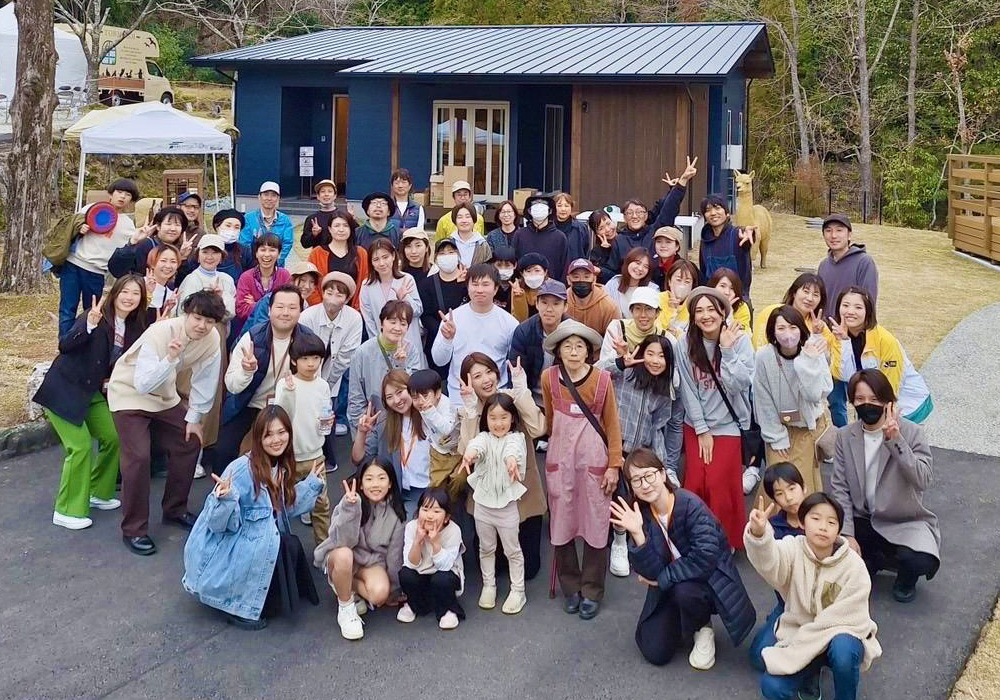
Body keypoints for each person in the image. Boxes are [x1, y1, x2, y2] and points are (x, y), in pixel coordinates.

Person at [182, 406, 325, 630]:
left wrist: (311, 486)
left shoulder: (280, 465)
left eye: (281, 432)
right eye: (268, 435)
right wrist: (225, 499)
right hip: (231, 549)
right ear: (258, 438)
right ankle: (234, 605)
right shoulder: (240, 470)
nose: (276, 440)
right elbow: (217, 525)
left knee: (284, 543)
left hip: (255, 540)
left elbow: (283, 509)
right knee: (273, 545)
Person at [612, 449, 755, 670]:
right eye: (637, 480)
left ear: (662, 474)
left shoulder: (690, 505)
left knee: (684, 591)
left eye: (649, 475)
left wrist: (662, 578)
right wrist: (638, 534)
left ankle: (702, 626)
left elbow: (705, 557)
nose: (645, 484)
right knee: (654, 651)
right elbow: (650, 572)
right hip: (671, 582)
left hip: (707, 581)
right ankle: (683, 619)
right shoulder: (642, 514)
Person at [107, 290, 225, 555]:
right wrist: (171, 358)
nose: (202, 326)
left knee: (190, 441)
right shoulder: (160, 332)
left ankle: (175, 509)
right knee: (139, 457)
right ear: (186, 313)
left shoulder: (212, 339)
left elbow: (206, 380)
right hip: (130, 393)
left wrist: (194, 418)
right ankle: (134, 529)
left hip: (164, 396)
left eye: (209, 321)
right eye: (197, 318)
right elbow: (143, 383)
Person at [35, 275, 148, 530]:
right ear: (115, 293)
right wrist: (88, 325)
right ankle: (66, 509)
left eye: (135, 293)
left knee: (113, 436)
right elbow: (65, 345)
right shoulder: (95, 315)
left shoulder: (134, 326)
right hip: (63, 389)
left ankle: (98, 491)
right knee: (80, 446)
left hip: (91, 393)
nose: (129, 297)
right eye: (125, 292)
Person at [745, 493, 882, 699]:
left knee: (844, 650)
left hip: (838, 634)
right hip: (799, 634)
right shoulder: (792, 548)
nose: (823, 527)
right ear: (802, 522)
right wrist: (759, 535)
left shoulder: (853, 565)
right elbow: (770, 563)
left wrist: (805, 646)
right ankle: (810, 672)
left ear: (839, 529)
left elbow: (852, 617)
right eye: (816, 518)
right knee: (772, 686)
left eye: (831, 522)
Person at [829, 368, 940, 603]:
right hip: (862, 518)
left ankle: (905, 577)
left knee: (921, 559)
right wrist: (847, 534)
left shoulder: (911, 432)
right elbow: (840, 488)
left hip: (902, 520)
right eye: (860, 399)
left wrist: (896, 441)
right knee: (830, 546)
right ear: (852, 402)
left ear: (889, 402)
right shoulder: (845, 436)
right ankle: (872, 560)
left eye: (874, 398)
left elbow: (923, 479)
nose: (867, 404)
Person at [542, 319, 622, 619]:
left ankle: (592, 589)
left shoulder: (602, 380)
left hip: (594, 462)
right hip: (560, 462)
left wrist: (614, 465)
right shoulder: (549, 378)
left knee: (596, 525)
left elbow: (612, 425)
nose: (574, 352)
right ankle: (570, 587)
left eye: (579, 346)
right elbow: (550, 420)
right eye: (567, 346)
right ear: (558, 351)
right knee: (561, 524)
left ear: (589, 351)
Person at [599, 334, 685, 577]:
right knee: (621, 493)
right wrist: (619, 362)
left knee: (651, 491)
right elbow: (593, 372)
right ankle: (619, 541)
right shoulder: (625, 374)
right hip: (612, 446)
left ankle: (648, 543)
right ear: (641, 354)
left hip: (640, 452)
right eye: (650, 353)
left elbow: (659, 429)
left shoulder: (663, 391)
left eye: (662, 356)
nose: (655, 361)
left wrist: (664, 466)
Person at [456, 353, 547, 581]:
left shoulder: (512, 398)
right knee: (492, 565)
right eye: (477, 376)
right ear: (468, 382)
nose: (486, 379)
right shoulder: (469, 409)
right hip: (488, 498)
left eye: (489, 372)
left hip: (521, 494)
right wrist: (471, 411)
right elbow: (467, 450)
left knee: (530, 569)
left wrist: (521, 389)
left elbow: (538, 428)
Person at [675, 287, 753, 550]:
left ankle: (723, 539)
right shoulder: (684, 345)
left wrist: (727, 351)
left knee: (719, 483)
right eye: (699, 311)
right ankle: (695, 539)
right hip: (697, 424)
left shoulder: (740, 340)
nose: (706, 316)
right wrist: (701, 429)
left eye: (711, 309)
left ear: (723, 313)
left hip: (729, 424)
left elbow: (739, 384)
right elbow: (688, 390)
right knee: (696, 482)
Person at [211, 285, 317, 474]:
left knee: (297, 453)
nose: (286, 313)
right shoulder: (253, 337)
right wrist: (246, 371)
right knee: (224, 450)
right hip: (251, 402)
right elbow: (232, 385)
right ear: (269, 310)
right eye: (280, 307)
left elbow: (315, 384)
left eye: (292, 308)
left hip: (290, 405)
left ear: (301, 311)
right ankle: (224, 489)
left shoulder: (308, 340)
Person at [314, 459, 406, 640]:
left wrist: (394, 590)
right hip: (343, 556)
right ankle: (346, 606)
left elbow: (394, 557)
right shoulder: (350, 501)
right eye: (369, 479)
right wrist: (351, 509)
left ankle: (345, 584)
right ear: (361, 484)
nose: (375, 484)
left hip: (371, 563)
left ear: (390, 483)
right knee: (344, 555)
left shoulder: (397, 513)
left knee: (380, 594)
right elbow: (343, 542)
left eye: (381, 478)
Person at [753, 306, 833, 497]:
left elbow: (816, 395)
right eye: (781, 328)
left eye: (793, 327)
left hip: (807, 429)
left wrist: (810, 362)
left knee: (802, 485)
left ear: (801, 329)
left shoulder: (812, 351)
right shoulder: (764, 356)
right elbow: (763, 400)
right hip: (778, 428)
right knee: (777, 486)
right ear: (772, 332)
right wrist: (776, 437)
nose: (787, 334)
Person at [461, 393, 528, 615]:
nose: (498, 423)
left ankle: (518, 590)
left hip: (507, 508)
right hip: (483, 506)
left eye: (503, 417)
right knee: (486, 548)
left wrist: (511, 461)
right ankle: (489, 586)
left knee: (512, 551)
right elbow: (476, 445)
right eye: (493, 417)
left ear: (512, 418)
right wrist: (469, 454)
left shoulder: (516, 438)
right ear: (486, 419)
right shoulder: (484, 437)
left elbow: (513, 451)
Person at [829, 286, 932, 422]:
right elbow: (844, 375)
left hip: (907, 407)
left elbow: (892, 385)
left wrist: (884, 418)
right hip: (872, 405)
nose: (850, 311)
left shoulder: (885, 340)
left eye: (858, 307)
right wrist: (844, 342)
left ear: (868, 311)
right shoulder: (839, 337)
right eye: (845, 305)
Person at [747, 462, 810, 679]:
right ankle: (783, 629)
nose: (789, 498)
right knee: (758, 657)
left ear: (804, 487)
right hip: (788, 604)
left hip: (819, 605)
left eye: (792, 488)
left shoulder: (818, 519)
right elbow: (764, 560)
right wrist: (758, 533)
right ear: (774, 500)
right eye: (780, 494)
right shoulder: (772, 528)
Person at [58, 178, 140, 338]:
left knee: (92, 311)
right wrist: (79, 228)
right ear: (111, 193)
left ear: (131, 200)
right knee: (67, 309)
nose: (122, 196)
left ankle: (85, 343)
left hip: (96, 272)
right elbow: (68, 227)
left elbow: (126, 252)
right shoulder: (91, 209)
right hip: (73, 265)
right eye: (119, 192)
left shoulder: (128, 225)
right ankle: (64, 345)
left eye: (128, 194)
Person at [274, 333, 333, 546]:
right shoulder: (286, 384)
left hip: (315, 455)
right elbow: (281, 418)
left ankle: (323, 550)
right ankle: (279, 549)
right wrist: (289, 392)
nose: (311, 364)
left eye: (316, 358)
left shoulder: (323, 385)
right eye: (305, 359)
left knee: (321, 506)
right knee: (281, 505)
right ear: (294, 361)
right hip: (288, 457)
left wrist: (327, 424)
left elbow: (324, 420)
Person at [432, 264, 519, 406]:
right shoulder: (452, 319)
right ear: (467, 287)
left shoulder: (509, 322)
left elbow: (514, 364)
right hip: (460, 398)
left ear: (496, 288)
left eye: (485, 284)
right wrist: (447, 340)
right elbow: (439, 361)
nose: (479, 290)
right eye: (475, 284)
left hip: (496, 397)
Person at [299, 271, 363, 453]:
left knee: (327, 418)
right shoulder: (307, 316)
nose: (333, 297)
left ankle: (327, 457)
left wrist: (326, 384)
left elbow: (346, 355)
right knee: (304, 417)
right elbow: (301, 351)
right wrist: (312, 383)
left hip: (333, 377)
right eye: (329, 292)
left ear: (347, 299)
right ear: (322, 293)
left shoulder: (354, 318)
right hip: (305, 375)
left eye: (340, 294)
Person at [353, 372, 432, 518]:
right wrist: (362, 432)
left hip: (429, 489)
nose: (396, 400)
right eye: (389, 397)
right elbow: (359, 459)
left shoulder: (429, 416)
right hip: (398, 491)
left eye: (399, 392)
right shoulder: (385, 423)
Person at [604, 158, 697, 280]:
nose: (635, 216)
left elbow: (668, 210)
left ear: (646, 216)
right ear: (624, 218)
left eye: (639, 212)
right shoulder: (619, 240)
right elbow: (612, 271)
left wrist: (682, 182)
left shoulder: (654, 231)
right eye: (630, 213)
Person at [346, 301, 424, 432]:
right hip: (374, 423)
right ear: (382, 323)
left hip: (404, 421)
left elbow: (415, 389)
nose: (397, 328)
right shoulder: (362, 352)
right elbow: (356, 396)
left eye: (403, 324)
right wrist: (361, 429)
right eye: (392, 322)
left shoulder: (411, 350)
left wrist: (401, 365)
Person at [397, 488, 465, 630]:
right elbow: (411, 564)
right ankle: (414, 605)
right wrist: (417, 541)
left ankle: (448, 610)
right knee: (405, 574)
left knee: (441, 579)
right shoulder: (411, 527)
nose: (430, 516)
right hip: (421, 572)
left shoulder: (454, 530)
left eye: (436, 511)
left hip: (444, 574)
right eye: (425, 509)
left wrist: (435, 543)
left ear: (446, 517)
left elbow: (445, 566)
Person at [509, 279, 568, 408]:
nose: (549, 309)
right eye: (544, 303)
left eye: (556, 304)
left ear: (565, 307)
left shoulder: (573, 332)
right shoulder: (524, 331)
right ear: (537, 304)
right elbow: (515, 370)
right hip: (531, 398)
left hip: (564, 400)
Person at [360, 238, 423, 356]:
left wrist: (405, 298)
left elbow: (418, 310)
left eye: (385, 257)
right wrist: (378, 345)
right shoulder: (366, 286)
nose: (381, 263)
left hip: (408, 342)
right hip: (382, 345)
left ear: (393, 256)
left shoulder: (406, 279)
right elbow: (369, 321)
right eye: (376, 259)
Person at [418, 238, 469, 380]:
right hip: (438, 342)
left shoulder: (469, 281)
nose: (447, 256)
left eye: (451, 252)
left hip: (464, 343)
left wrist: (463, 286)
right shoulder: (427, 284)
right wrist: (443, 330)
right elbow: (425, 315)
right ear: (435, 258)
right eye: (442, 253)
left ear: (458, 255)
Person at [408, 369, 460, 492]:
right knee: (436, 485)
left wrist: (431, 412)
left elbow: (447, 429)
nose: (421, 401)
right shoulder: (423, 406)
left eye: (425, 396)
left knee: (457, 482)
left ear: (438, 393)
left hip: (457, 451)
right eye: (415, 397)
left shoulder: (447, 405)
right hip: (438, 450)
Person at [752, 272, 834, 351]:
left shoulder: (819, 326)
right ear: (794, 292)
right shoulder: (772, 312)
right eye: (806, 291)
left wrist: (818, 336)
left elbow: (833, 352)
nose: (810, 298)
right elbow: (759, 347)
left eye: (815, 295)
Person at [307, 208, 369, 310]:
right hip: (322, 310)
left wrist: (356, 309)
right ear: (330, 229)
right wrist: (322, 308)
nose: (341, 229)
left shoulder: (361, 253)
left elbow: (365, 283)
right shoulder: (317, 253)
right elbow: (310, 284)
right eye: (337, 225)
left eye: (345, 225)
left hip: (353, 311)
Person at [817, 214, 879, 316]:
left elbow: (869, 303)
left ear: (849, 235)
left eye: (839, 230)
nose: (833, 235)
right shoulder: (823, 266)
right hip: (825, 325)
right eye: (828, 231)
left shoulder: (864, 262)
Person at [697, 194, 756, 297]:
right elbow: (703, 273)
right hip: (713, 299)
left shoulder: (737, 235)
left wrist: (750, 233)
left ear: (727, 212)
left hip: (738, 298)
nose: (713, 213)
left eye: (717, 208)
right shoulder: (705, 241)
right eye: (708, 210)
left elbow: (746, 239)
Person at [108, 205, 189, 278]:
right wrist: (133, 242)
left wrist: (182, 258)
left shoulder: (179, 249)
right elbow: (117, 271)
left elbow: (179, 282)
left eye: (177, 225)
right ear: (158, 226)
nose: (173, 229)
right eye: (168, 224)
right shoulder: (145, 245)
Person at [175, 234, 237, 324]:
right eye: (205, 252)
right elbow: (183, 314)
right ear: (198, 256)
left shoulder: (227, 279)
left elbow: (230, 314)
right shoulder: (191, 279)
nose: (209, 257)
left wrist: (222, 296)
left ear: (222, 257)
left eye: (215, 252)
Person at [235, 233, 291, 325]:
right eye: (263, 250)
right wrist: (274, 306)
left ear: (279, 254)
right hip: (251, 327)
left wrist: (256, 304)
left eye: (272, 250)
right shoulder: (246, 277)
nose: (267, 254)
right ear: (256, 253)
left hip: (279, 326)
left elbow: (288, 307)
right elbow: (241, 310)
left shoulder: (285, 276)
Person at [512, 195, 568, 283]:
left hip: (551, 287)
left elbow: (564, 267)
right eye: (535, 206)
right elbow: (514, 263)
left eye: (542, 206)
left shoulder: (560, 237)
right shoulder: (519, 235)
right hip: (524, 287)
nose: (539, 209)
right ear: (529, 211)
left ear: (550, 211)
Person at [599, 286, 662, 362]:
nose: (643, 315)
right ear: (631, 312)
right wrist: (620, 357)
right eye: (638, 308)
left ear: (657, 313)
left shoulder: (665, 337)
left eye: (649, 309)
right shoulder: (617, 328)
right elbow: (602, 365)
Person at [240, 181, 295, 266]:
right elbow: (245, 244)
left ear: (278, 198)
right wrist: (258, 263)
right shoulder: (248, 218)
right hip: (253, 266)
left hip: (277, 266)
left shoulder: (285, 220)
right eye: (266, 195)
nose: (269, 198)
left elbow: (287, 243)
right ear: (259, 197)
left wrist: (275, 262)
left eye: (273, 195)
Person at [565, 258, 620, 337]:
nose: (581, 280)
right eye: (576, 277)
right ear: (568, 280)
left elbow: (613, 338)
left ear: (594, 279)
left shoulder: (609, 307)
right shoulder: (562, 302)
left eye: (586, 277)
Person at [605, 247, 659, 317]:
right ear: (628, 262)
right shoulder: (612, 284)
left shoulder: (653, 289)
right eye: (637, 263)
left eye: (645, 267)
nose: (640, 268)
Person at [657, 259, 699, 338]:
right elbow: (655, 329)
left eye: (687, 282)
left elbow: (693, 335)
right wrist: (671, 309)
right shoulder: (657, 299)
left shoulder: (694, 305)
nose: (682, 285)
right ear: (669, 281)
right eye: (678, 280)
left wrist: (677, 333)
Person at [143, 244, 181, 324]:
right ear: (153, 263)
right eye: (163, 260)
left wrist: (167, 311)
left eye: (173, 262)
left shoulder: (170, 296)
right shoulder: (138, 285)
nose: (168, 266)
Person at [300, 179, 341, 249]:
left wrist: (353, 221)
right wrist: (313, 234)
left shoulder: (343, 216)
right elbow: (305, 244)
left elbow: (354, 239)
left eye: (330, 191)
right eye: (322, 191)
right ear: (318, 196)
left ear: (335, 196)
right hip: (318, 254)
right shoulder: (312, 219)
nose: (326, 194)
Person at [707, 267, 752, 332]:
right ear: (713, 286)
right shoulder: (703, 304)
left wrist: (729, 313)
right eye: (722, 286)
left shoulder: (741, 307)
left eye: (732, 288)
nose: (727, 292)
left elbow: (745, 335)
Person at [449, 202, 492, 267]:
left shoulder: (482, 244)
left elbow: (489, 268)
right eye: (460, 217)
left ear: (474, 219)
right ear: (455, 221)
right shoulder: (448, 243)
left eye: (468, 217)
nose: (464, 220)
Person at [511, 252, 549, 322]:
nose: (533, 274)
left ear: (545, 272)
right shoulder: (517, 286)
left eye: (537, 270)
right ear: (522, 274)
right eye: (528, 271)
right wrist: (519, 297)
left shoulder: (553, 286)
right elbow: (519, 319)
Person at [553, 192, 591, 263]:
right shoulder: (549, 228)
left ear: (571, 207)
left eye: (566, 206)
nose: (563, 209)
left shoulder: (581, 228)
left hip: (575, 267)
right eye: (559, 206)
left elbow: (586, 251)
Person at [388, 168, 426, 233]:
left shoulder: (418, 208)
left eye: (404, 182)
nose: (400, 186)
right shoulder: (387, 206)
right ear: (392, 186)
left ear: (410, 185)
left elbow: (420, 232)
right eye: (397, 183)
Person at [588, 209, 619, 284]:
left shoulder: (626, 239)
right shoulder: (596, 252)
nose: (607, 230)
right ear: (597, 233)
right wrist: (604, 250)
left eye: (608, 223)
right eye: (601, 228)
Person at [491, 246, 517, 313]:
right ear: (493, 265)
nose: (503, 269)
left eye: (507, 265)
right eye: (499, 265)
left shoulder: (519, 284)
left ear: (515, 265)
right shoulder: (489, 283)